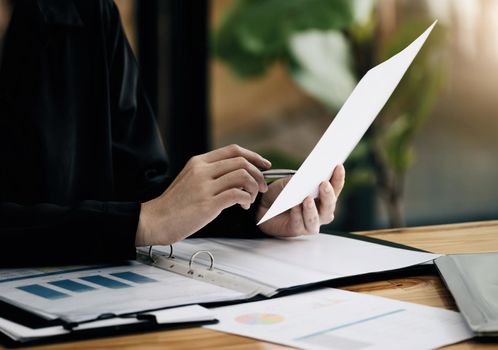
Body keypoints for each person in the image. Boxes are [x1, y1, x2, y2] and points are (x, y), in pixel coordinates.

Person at [0, 0, 344, 266]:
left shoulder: (86, 11)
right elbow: (143, 217)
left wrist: (250, 211)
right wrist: (141, 222)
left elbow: (137, 192)